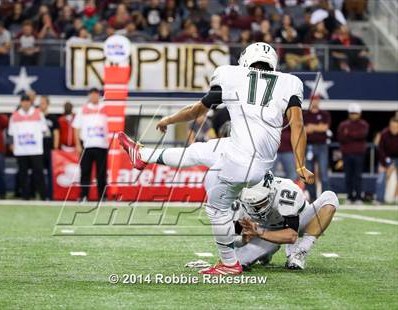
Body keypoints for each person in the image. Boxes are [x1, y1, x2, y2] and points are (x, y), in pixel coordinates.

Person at [118, 42, 314, 275]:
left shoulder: (230, 74)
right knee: (199, 150)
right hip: (256, 161)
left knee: (216, 207)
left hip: (239, 161)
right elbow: (298, 125)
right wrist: (300, 164)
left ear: (245, 59)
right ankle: (141, 155)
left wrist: (168, 120)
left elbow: (196, 111)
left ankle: (229, 263)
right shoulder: (289, 82)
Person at [233, 171, 339, 270]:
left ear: (271, 191)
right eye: (252, 204)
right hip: (267, 228)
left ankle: (300, 251)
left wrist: (259, 233)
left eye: (261, 202)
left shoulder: (286, 190)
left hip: (300, 222)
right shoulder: (238, 200)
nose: (257, 208)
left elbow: (291, 236)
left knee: (330, 197)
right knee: (239, 261)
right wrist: (243, 239)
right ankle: (266, 251)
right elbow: (232, 240)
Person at [8, 95, 48, 200]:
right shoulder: (15, 115)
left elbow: (44, 130)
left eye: (27, 101)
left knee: (38, 172)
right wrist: (12, 144)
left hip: (35, 150)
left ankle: (43, 196)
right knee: (22, 173)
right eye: (23, 101)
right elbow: (11, 133)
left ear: (30, 102)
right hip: (21, 150)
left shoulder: (38, 114)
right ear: (21, 103)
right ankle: (26, 196)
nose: (25, 103)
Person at [73, 88, 108, 201]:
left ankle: (102, 196)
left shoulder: (105, 108)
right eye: (92, 94)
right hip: (86, 146)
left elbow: (112, 126)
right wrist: (78, 144)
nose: (94, 97)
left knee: (101, 173)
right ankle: (84, 196)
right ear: (89, 96)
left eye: (96, 94)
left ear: (99, 96)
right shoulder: (82, 109)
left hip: (102, 146)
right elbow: (76, 127)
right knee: (85, 172)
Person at [337, 103, 369, 204]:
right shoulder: (343, 125)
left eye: (355, 113)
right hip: (347, 154)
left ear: (359, 114)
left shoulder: (364, 124)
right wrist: (353, 135)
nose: (353, 115)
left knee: (358, 176)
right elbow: (341, 137)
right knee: (348, 176)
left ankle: (359, 197)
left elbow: (362, 134)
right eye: (352, 113)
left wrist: (349, 134)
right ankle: (350, 197)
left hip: (359, 154)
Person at [303, 95, 331, 201]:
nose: (314, 102)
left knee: (323, 173)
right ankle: (312, 197)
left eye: (316, 100)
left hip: (321, 146)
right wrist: (317, 127)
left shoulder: (324, 114)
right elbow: (302, 129)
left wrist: (312, 127)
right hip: (308, 146)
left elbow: (324, 128)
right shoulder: (305, 114)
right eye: (313, 100)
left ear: (319, 101)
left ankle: (326, 198)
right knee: (309, 174)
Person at [39, 96, 59, 200]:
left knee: (51, 173)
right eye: (40, 103)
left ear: (47, 104)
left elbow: (56, 133)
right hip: (38, 149)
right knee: (39, 172)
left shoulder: (52, 118)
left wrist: (55, 148)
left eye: (43, 103)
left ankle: (51, 195)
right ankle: (42, 194)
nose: (41, 105)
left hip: (49, 148)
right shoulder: (36, 117)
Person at [376, 117, 398, 203]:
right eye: (392, 127)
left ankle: (395, 197)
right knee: (381, 176)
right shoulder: (384, 134)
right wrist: (386, 164)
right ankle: (379, 199)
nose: (394, 129)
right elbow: (381, 150)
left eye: (396, 127)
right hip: (386, 158)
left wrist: (395, 167)